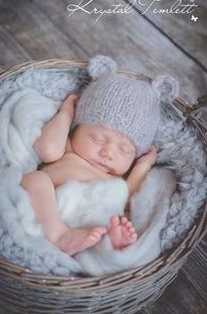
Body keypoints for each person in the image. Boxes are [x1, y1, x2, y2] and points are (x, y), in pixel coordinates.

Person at [21, 55, 179, 256]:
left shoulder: (117, 179)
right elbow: (47, 149)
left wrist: (143, 165)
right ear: (76, 129)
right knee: (35, 179)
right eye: (97, 138)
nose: (108, 153)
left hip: (95, 223)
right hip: (48, 211)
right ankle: (59, 234)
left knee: (122, 217)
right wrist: (66, 114)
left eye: (124, 150)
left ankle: (111, 242)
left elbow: (132, 196)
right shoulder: (66, 150)